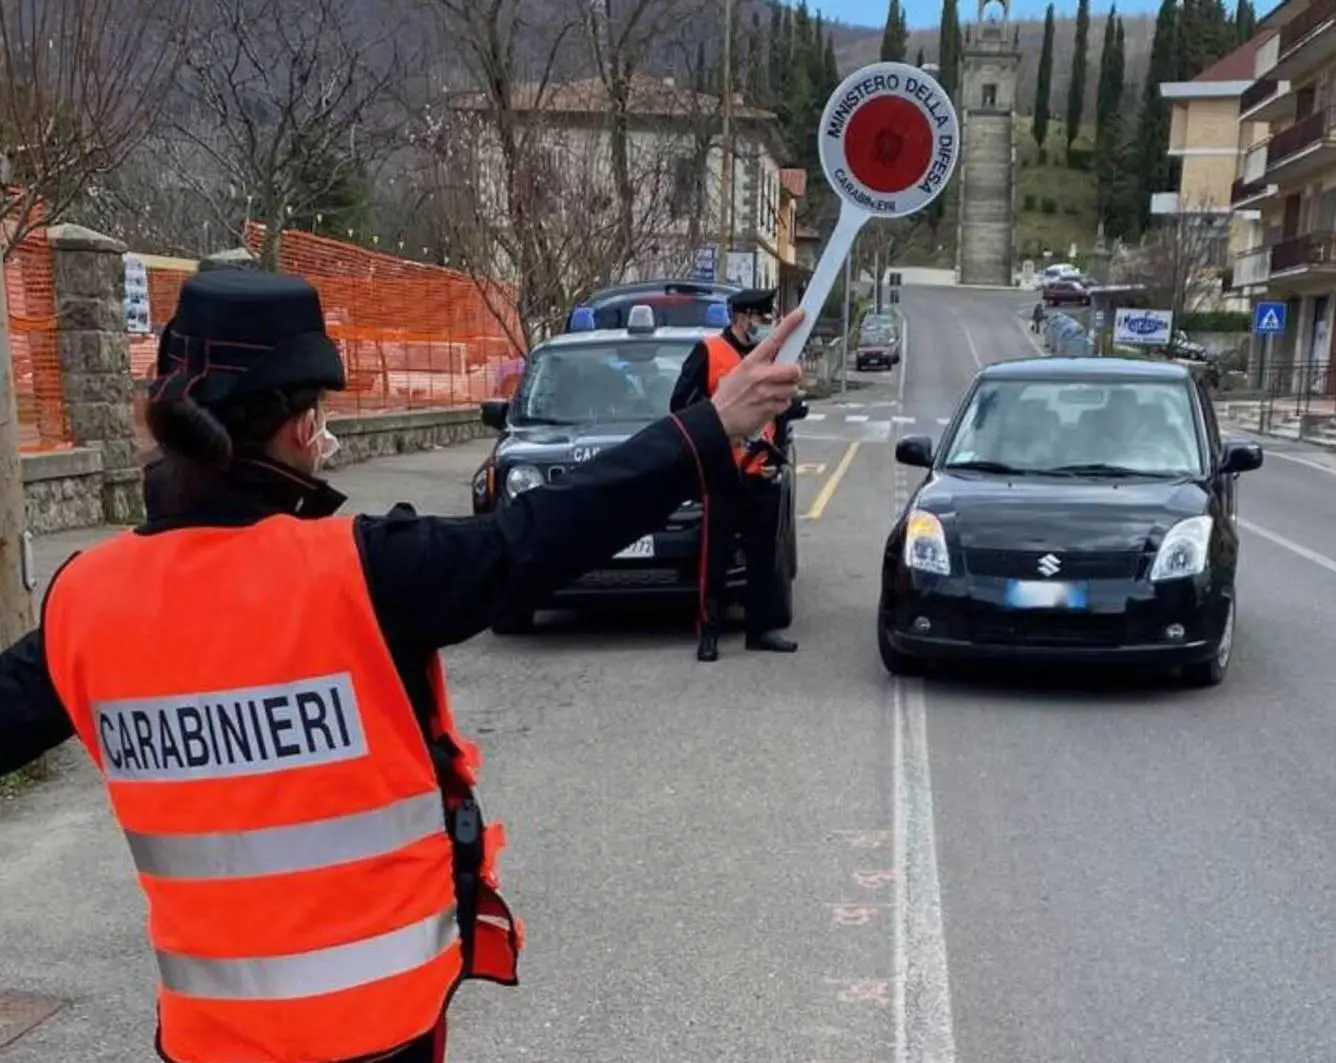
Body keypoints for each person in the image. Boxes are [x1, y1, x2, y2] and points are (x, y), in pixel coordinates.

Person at [0, 269, 804, 1063]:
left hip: (206, 1040)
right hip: (376, 1032)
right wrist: (708, 426)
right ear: (299, 428)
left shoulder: (83, 601)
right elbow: (540, 534)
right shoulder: (361, 570)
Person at [670, 288, 799, 663]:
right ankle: (708, 632)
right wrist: (717, 424)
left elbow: (781, 406)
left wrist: (781, 445)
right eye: (760, 317)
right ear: (742, 317)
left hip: (762, 470)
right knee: (716, 557)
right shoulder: (710, 352)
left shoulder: (769, 358)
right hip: (723, 472)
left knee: (764, 556)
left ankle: (759, 630)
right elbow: (680, 404)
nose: (764, 324)